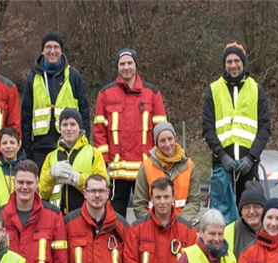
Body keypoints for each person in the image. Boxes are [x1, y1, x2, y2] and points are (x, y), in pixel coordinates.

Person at [202, 41, 272, 223]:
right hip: (222, 165)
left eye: (236, 61)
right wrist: (222, 156)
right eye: (229, 61)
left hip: (248, 166)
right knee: (221, 218)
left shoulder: (256, 89)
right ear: (224, 64)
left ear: (243, 62)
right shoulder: (214, 89)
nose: (233, 65)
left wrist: (251, 158)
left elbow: (265, 128)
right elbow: (208, 128)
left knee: (250, 217)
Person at [93, 48, 167, 217]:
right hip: (117, 168)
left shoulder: (152, 93)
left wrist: (160, 159)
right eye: (122, 64)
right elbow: (99, 131)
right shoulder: (105, 94)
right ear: (117, 67)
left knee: (148, 214)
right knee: (115, 216)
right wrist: (104, 161)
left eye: (129, 63)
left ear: (136, 65)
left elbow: (161, 130)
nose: (126, 67)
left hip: (145, 166)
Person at [21, 32, 91, 167]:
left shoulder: (73, 76)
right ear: (42, 51)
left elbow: (84, 111)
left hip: (69, 145)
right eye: (48, 47)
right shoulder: (33, 77)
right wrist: (27, 150)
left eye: (56, 47)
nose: (52, 51)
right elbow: (26, 116)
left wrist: (84, 142)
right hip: (40, 148)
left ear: (61, 51)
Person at [131, 122, 204, 226]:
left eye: (170, 139)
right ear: (156, 144)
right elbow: (139, 204)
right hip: (154, 226)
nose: (167, 144)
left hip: (182, 224)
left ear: (175, 139)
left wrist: (179, 222)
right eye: (162, 140)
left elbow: (194, 201)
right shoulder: (146, 167)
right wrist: (154, 224)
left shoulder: (189, 166)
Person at [38, 108, 108, 214]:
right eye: (64, 125)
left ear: (80, 128)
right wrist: (51, 175)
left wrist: (77, 179)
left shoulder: (94, 153)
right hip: (57, 217)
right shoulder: (51, 157)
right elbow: (42, 193)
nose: (68, 128)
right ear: (60, 128)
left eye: (73, 124)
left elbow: (103, 185)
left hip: (85, 215)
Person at [224, 181, 266, 258]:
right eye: (247, 207)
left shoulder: (276, 228)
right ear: (241, 211)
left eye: (256, 206)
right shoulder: (230, 231)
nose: (251, 211)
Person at [0, 127, 24, 208]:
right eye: (4, 143)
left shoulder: (25, 168)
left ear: (19, 145)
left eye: (12, 142)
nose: (8, 146)